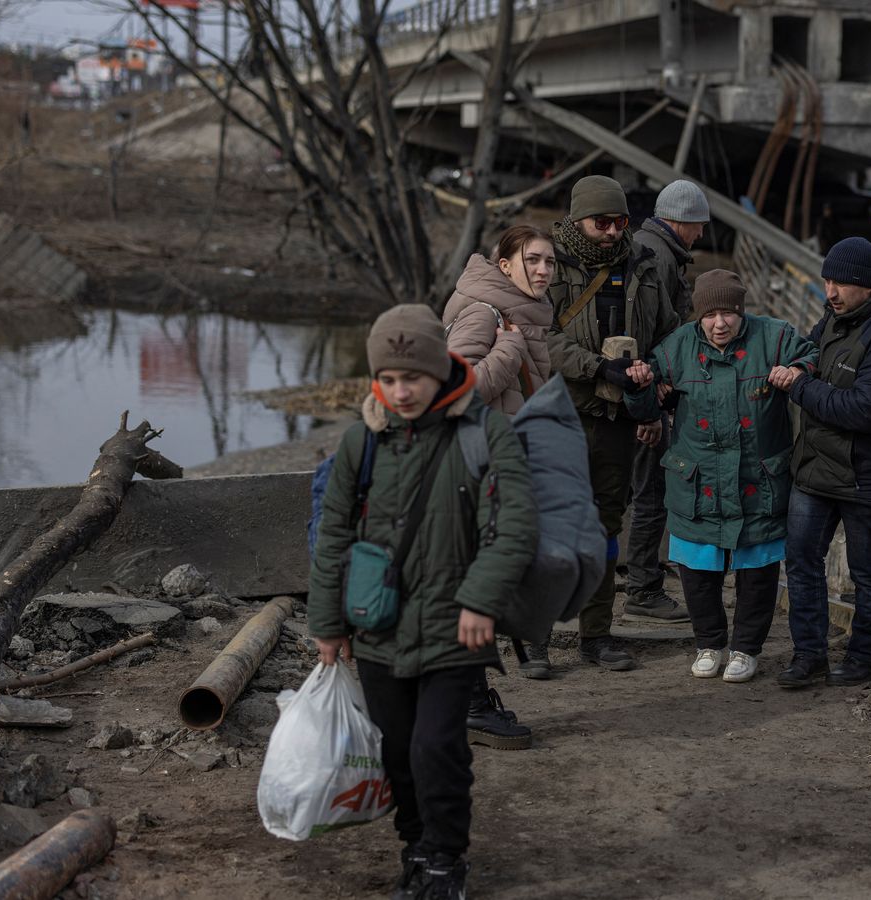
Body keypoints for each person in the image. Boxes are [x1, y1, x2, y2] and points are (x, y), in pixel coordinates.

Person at [309, 304, 538, 900]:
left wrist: (483, 602)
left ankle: (444, 861)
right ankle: (415, 846)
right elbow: (333, 531)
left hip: (457, 626)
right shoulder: (363, 439)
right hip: (378, 626)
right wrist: (328, 623)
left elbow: (512, 524)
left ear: (441, 370)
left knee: (437, 747)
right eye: (388, 378)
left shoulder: (482, 432)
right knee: (395, 750)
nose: (400, 390)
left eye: (412, 376)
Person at [625, 270, 817, 683]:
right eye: (710, 314)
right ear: (699, 316)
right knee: (697, 571)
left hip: (758, 481)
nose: (720, 323)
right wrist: (644, 386)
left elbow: (812, 357)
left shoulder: (774, 336)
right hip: (698, 482)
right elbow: (645, 397)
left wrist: (797, 371)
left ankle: (746, 649)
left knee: (758, 570)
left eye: (728, 313)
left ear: (741, 311)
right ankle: (709, 643)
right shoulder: (677, 346)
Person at [774, 237, 871, 689]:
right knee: (800, 558)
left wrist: (798, 386)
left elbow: (864, 410)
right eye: (827, 280)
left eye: (841, 283)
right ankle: (809, 656)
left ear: (868, 284)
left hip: (867, 477)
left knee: (869, 571)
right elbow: (812, 359)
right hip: (818, 466)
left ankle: (863, 657)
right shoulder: (835, 319)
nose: (830, 292)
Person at [546, 175, 677, 671]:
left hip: (618, 419)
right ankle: (538, 637)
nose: (613, 231)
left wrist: (654, 380)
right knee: (554, 527)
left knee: (604, 528)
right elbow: (539, 338)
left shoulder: (641, 264)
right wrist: (600, 368)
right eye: (603, 222)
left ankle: (595, 637)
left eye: (621, 221)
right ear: (579, 218)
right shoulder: (550, 264)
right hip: (562, 415)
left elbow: (668, 331)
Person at [439, 224, 555, 751]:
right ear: (504, 264)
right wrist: (508, 349)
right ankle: (470, 705)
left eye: (550, 263)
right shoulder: (488, 313)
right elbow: (454, 392)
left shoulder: (520, 314)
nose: (543, 270)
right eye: (532, 260)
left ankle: (472, 697)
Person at [624, 180, 712, 626]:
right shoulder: (657, 257)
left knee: (630, 493)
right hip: (646, 393)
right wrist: (651, 404)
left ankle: (630, 577)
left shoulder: (649, 249)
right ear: (683, 221)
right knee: (651, 495)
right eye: (698, 227)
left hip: (637, 389)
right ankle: (643, 587)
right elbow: (650, 333)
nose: (700, 236)